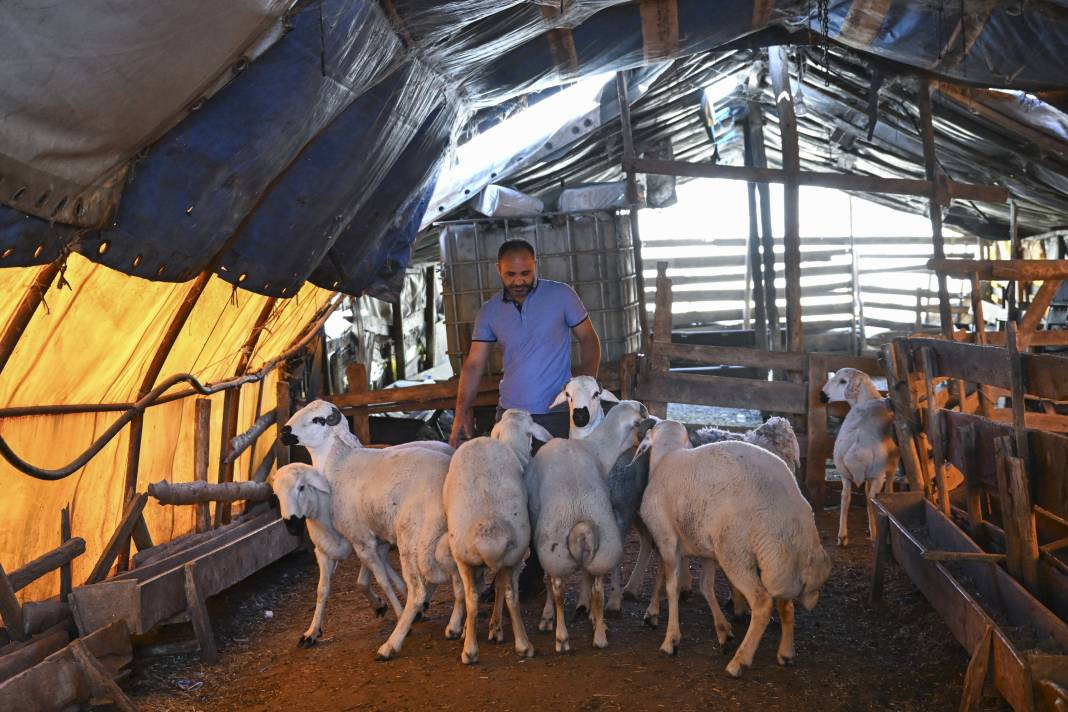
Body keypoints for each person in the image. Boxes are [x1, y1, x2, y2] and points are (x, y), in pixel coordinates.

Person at [449, 238, 601, 447]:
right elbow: (474, 365)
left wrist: (585, 389)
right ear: (498, 269)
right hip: (510, 416)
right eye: (510, 274)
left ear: (535, 266)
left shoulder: (562, 295)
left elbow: (589, 339)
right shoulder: (489, 311)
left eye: (526, 273)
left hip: (557, 413)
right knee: (507, 476)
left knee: (556, 476)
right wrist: (460, 412)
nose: (519, 282)